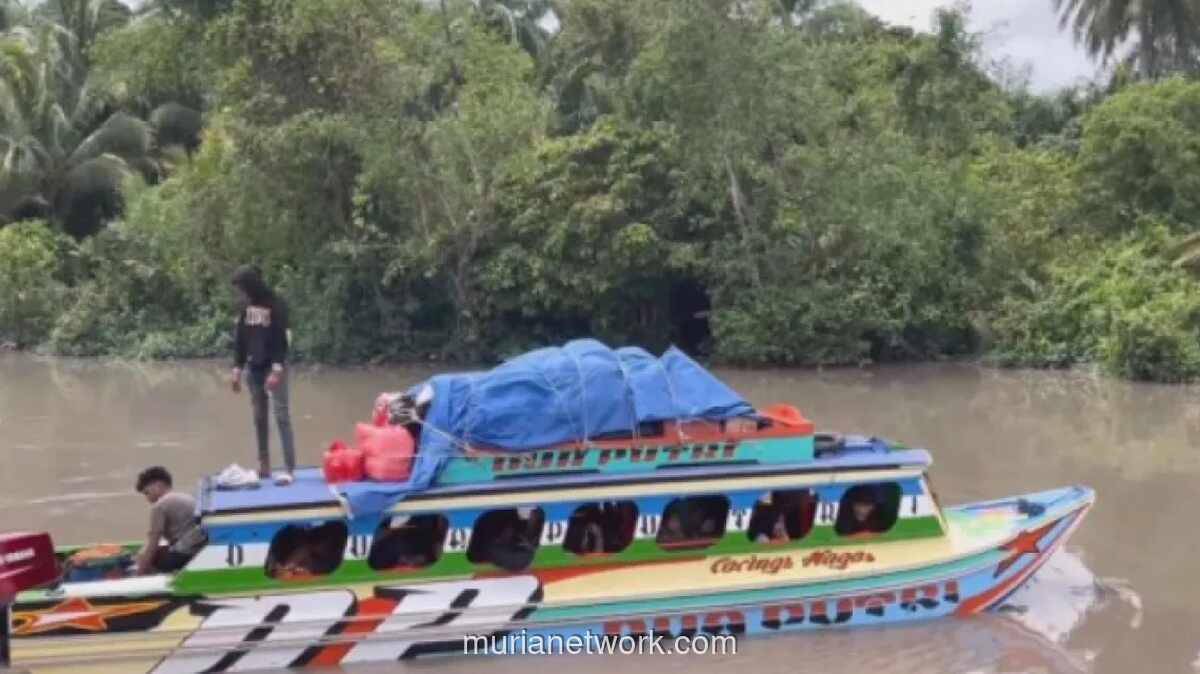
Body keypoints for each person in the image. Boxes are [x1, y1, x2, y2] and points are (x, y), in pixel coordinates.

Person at [229, 265, 296, 486]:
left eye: (241, 288)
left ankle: (288, 468)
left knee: (281, 415)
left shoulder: (276, 304)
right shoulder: (244, 307)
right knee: (259, 416)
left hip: (274, 365)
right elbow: (241, 339)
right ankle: (264, 465)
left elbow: (281, 339)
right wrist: (237, 369)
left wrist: (276, 369)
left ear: (251, 285)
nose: (239, 293)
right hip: (254, 367)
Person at [134, 467, 207, 575]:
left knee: (152, 564)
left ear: (157, 485)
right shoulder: (185, 497)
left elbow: (153, 543)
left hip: (189, 552)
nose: (147, 499)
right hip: (203, 547)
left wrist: (140, 573)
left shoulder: (160, 506)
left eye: (147, 493)